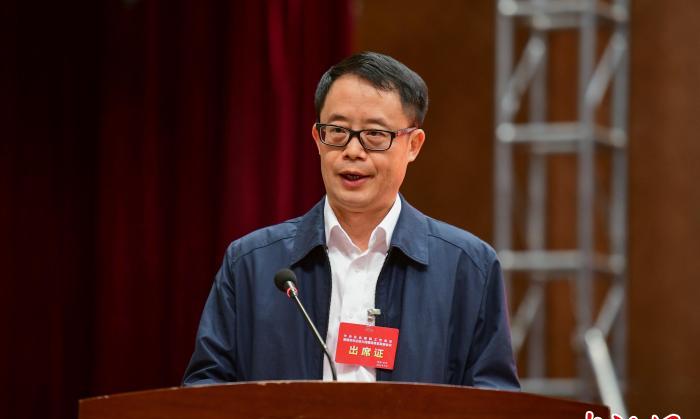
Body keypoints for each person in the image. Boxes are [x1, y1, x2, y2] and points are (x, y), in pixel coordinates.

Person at [182, 52, 519, 389]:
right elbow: (205, 391)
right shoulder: (252, 264)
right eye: (337, 131)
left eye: (375, 134)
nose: (353, 151)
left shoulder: (467, 268)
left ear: (413, 145)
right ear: (317, 139)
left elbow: (493, 402)